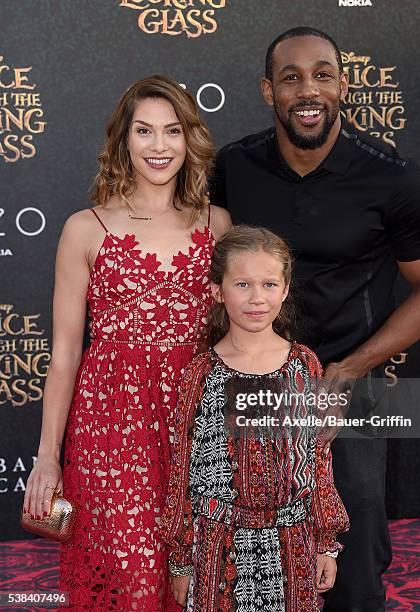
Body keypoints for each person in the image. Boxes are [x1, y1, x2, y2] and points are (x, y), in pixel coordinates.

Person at [210, 27, 420, 612]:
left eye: (322, 74)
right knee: (244, 564)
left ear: (343, 85)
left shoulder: (394, 177)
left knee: (351, 561)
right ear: (269, 92)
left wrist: (352, 369)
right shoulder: (233, 167)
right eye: (291, 77)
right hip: (250, 383)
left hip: (347, 384)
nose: (308, 89)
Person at [23, 74, 231, 610]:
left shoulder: (218, 224)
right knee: (133, 582)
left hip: (198, 420)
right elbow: (65, 354)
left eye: (172, 131)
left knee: (200, 578)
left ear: (190, 140)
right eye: (144, 131)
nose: (159, 146)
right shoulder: (84, 229)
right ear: (123, 140)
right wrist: (48, 457)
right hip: (111, 426)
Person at [159, 225, 349, 611]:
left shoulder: (304, 365)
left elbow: (317, 460)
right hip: (218, 543)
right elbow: (183, 470)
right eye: (242, 284)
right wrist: (180, 558)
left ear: (284, 288)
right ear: (217, 290)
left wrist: (326, 542)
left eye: (267, 284)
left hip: (292, 542)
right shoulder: (201, 372)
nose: (256, 298)